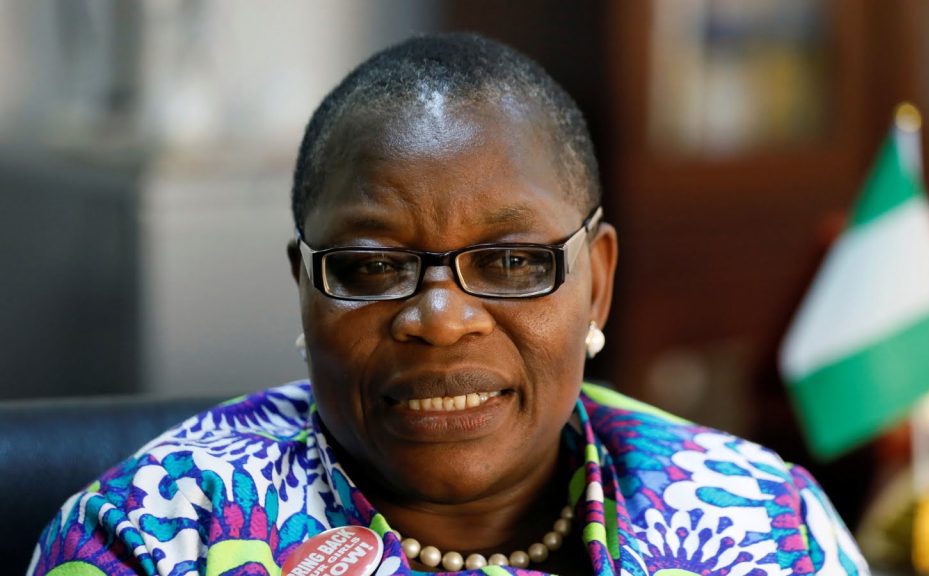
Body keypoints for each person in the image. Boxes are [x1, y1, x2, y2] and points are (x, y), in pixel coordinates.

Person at [28, 33, 869, 576]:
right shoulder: (147, 541)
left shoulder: (766, 525)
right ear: (306, 287)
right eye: (370, 267)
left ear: (598, 283)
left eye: (513, 261)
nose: (439, 319)